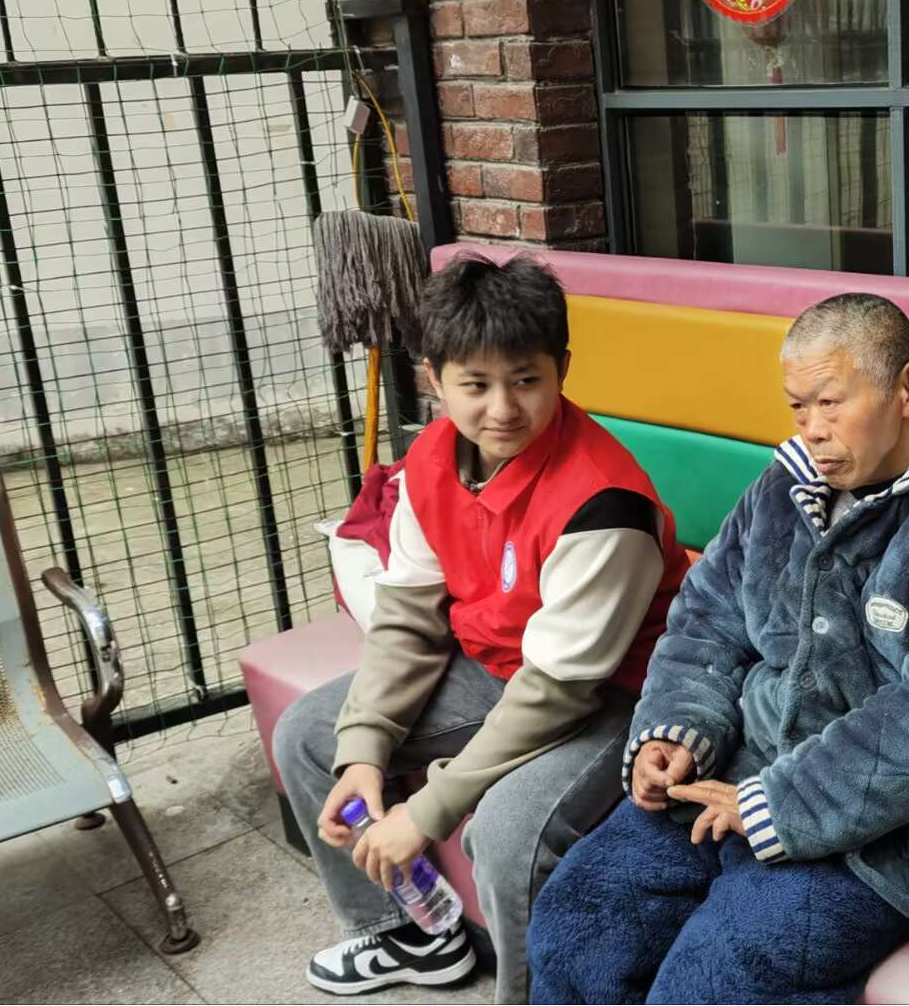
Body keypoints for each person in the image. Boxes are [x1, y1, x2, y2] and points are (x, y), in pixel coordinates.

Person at [527, 292, 909, 1005]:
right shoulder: (786, 484)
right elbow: (705, 621)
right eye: (797, 407)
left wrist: (777, 805)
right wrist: (674, 729)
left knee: (712, 983)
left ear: (908, 389)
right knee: (576, 920)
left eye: (830, 403)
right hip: (735, 774)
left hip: (904, 831)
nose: (811, 429)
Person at [272, 255, 690, 1002]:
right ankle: (409, 934)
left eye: (526, 380)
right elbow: (408, 618)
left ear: (562, 370)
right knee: (311, 735)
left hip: (614, 695)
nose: (502, 408)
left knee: (506, 836)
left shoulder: (604, 504)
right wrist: (364, 748)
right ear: (434, 379)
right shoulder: (431, 457)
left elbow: (557, 691)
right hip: (498, 666)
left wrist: (426, 809)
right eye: (476, 384)